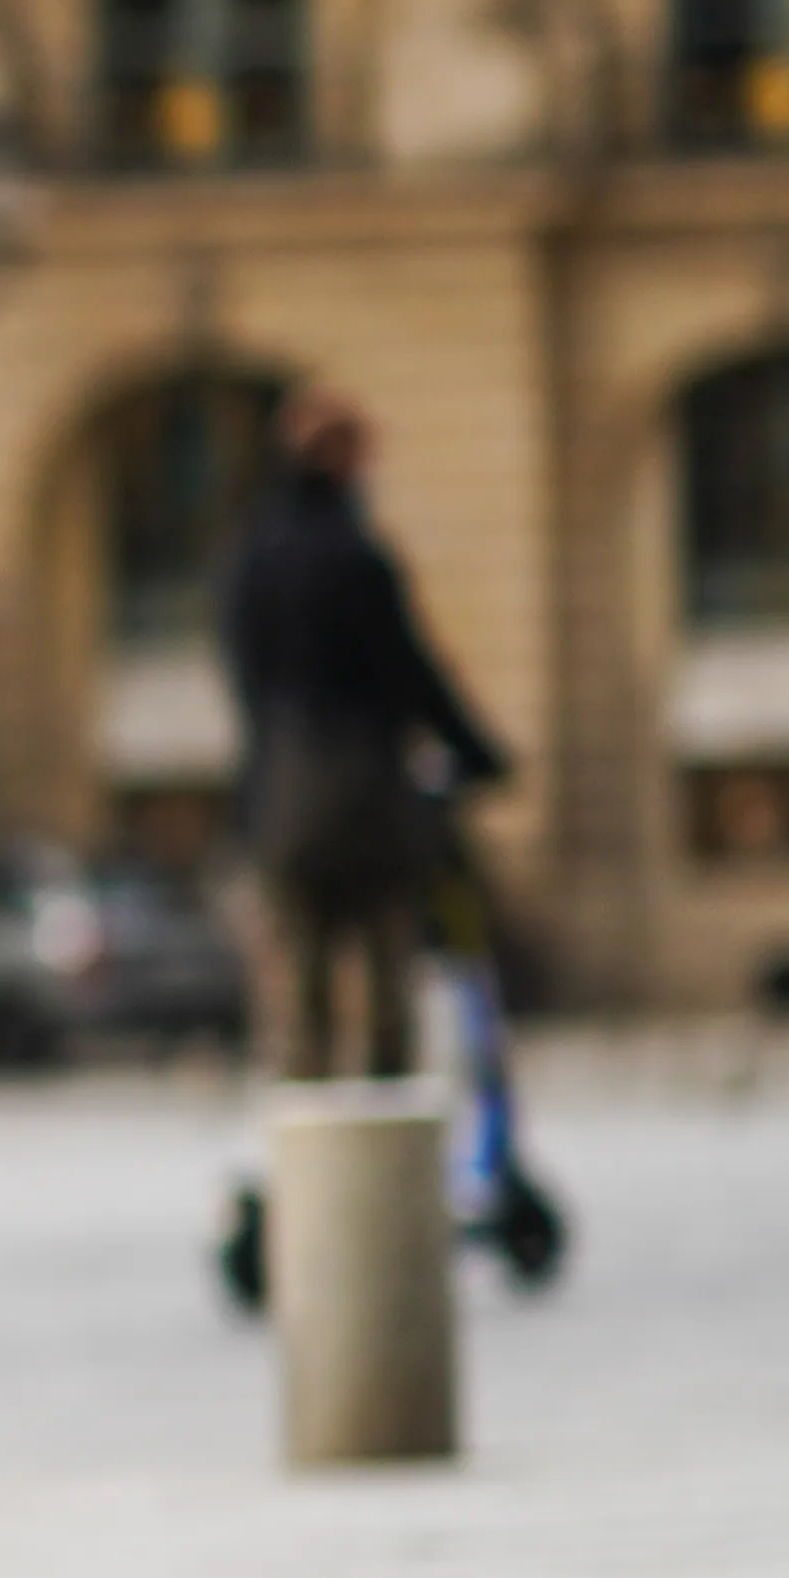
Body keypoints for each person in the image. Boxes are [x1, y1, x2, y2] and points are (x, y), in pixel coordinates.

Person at [218, 391, 511, 1081]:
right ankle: (384, 1121)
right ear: (336, 458)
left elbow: (245, 686)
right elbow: (409, 670)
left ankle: (310, 1135)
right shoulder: (355, 557)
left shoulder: (250, 558)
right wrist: (475, 753)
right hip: (364, 782)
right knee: (384, 957)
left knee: (300, 975)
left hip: (285, 787)